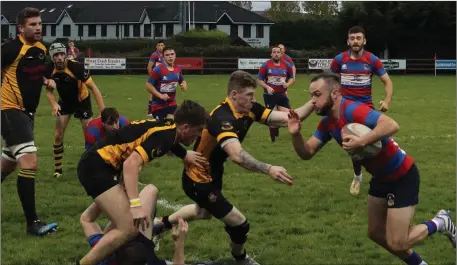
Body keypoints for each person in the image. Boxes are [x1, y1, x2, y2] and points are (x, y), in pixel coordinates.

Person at [287, 72, 456, 265]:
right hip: (380, 178)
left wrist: (361, 141)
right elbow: (307, 153)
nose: (312, 101)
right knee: (375, 233)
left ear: (334, 93)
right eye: (311, 95)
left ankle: (441, 222)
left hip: (402, 174)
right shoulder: (327, 123)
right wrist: (295, 135)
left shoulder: (352, 110)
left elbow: (391, 124)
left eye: (317, 95)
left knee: (398, 242)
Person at [152, 70, 314, 265]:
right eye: (249, 95)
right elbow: (237, 155)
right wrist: (269, 168)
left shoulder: (250, 108)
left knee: (204, 212)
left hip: (213, 172)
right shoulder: (222, 118)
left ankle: (159, 226)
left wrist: (315, 102)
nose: (253, 99)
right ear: (234, 95)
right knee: (239, 223)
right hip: (198, 178)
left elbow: (289, 117)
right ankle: (240, 258)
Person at [76, 100, 209, 265]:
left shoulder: (169, 128)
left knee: (122, 224)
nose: (197, 136)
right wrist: (136, 204)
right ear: (186, 127)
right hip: (97, 167)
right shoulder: (166, 135)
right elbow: (131, 164)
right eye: (197, 131)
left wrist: (184, 154)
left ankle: (105, 252)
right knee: (128, 229)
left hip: (103, 165)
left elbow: (169, 142)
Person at [1, 7, 58, 236]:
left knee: (9, 162)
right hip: (9, 110)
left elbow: (30, 73)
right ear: (21, 28)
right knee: (29, 162)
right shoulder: (11, 48)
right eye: (33, 24)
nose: (38, 27)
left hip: (28, 114)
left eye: (39, 23)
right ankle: (32, 223)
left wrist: (46, 81)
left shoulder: (41, 49)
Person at [330, 26, 394, 195]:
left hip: (366, 109)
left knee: (382, 142)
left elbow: (387, 82)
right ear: (348, 41)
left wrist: (386, 100)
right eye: (352, 38)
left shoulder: (372, 60)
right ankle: (357, 176)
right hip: (346, 110)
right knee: (354, 147)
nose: (355, 41)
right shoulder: (339, 60)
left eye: (358, 38)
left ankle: (385, 175)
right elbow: (328, 81)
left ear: (364, 41)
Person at [80, 184, 189, 265]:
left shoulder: (104, 256)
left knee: (149, 192)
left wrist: (108, 194)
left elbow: (86, 219)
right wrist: (179, 243)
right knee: (150, 190)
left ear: (115, 248)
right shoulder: (152, 261)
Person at [44, 42, 105, 179]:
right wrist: (54, 104)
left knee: (89, 137)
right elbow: (49, 92)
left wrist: (103, 111)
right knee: (58, 134)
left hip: (82, 101)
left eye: (61, 54)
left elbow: (94, 89)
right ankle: (58, 170)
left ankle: (93, 168)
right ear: (52, 57)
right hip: (64, 103)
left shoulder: (76, 67)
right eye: (56, 55)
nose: (59, 58)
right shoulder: (48, 70)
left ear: (65, 54)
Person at [258, 46, 295, 142]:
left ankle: (277, 128)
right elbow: (260, 80)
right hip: (269, 95)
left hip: (282, 94)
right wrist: (267, 87)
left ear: (281, 54)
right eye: (274, 52)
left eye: (278, 52)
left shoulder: (287, 65)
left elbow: (292, 78)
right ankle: (273, 138)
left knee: (289, 114)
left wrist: (287, 84)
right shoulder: (266, 65)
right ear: (271, 54)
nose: (276, 54)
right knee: (272, 116)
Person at [145, 46, 188, 123]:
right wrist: (160, 95)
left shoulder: (178, 68)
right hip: (158, 106)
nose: (170, 57)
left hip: (172, 104)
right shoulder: (158, 69)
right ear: (163, 57)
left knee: (171, 126)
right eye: (167, 55)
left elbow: (182, 80)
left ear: (175, 55)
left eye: (172, 54)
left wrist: (184, 85)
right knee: (161, 129)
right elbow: (148, 85)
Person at [147, 40, 165, 116]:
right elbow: (149, 67)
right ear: (156, 47)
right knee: (153, 93)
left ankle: (161, 109)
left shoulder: (165, 55)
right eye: (159, 45)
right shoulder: (154, 55)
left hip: (163, 77)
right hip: (155, 77)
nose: (160, 47)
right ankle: (150, 111)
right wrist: (152, 77)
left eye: (162, 45)